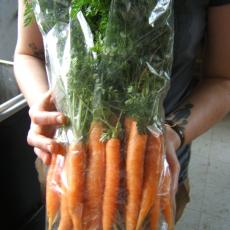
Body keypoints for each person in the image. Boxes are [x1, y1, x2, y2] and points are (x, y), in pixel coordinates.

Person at [14, 0, 230, 224]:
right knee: (69, 221)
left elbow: (223, 80)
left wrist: (172, 132)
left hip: (155, 162)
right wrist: (43, 104)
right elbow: (27, 53)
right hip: (68, 163)